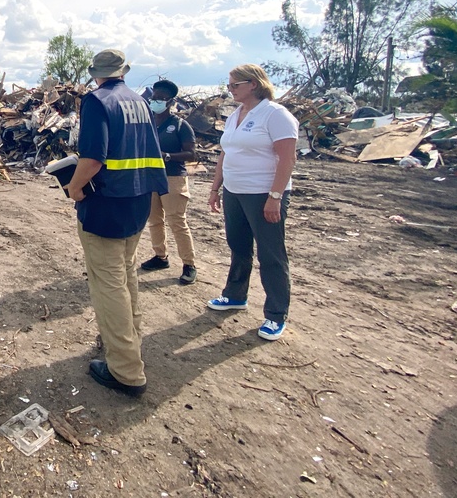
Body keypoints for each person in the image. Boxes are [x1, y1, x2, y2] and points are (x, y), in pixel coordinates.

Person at [67, 49, 168, 396]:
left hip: (106, 203)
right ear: (123, 71)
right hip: (139, 200)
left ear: (96, 73)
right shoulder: (140, 101)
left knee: (107, 282)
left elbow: (93, 158)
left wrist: (75, 187)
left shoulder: (97, 101)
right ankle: (129, 342)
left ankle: (125, 369)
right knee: (126, 275)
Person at [207, 64, 298, 341]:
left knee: (270, 253)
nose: (230, 89)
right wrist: (215, 187)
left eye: (235, 85)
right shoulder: (236, 114)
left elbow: (287, 158)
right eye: (229, 85)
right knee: (238, 246)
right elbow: (226, 152)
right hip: (235, 191)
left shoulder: (275, 115)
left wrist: (275, 196)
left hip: (263, 193)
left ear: (254, 84)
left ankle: (275, 314)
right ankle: (235, 295)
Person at [139, 79, 199, 284]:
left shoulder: (180, 125)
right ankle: (160, 256)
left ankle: (189, 264)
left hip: (173, 177)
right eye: (153, 97)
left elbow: (192, 153)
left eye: (161, 98)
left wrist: (169, 156)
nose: (156, 101)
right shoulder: (148, 123)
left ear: (171, 101)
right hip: (151, 176)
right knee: (154, 219)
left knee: (177, 221)